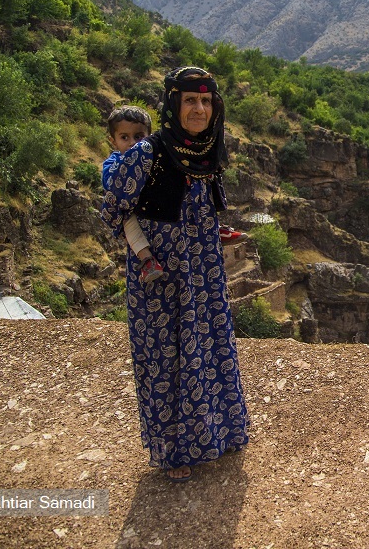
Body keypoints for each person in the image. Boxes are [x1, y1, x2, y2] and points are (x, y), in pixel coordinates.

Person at [100, 67, 249, 482]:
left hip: (203, 271)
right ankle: (172, 453)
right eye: (189, 100)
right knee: (167, 359)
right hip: (161, 280)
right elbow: (113, 206)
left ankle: (220, 433)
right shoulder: (148, 153)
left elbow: (199, 204)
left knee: (209, 346)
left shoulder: (205, 152)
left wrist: (205, 232)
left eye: (205, 100)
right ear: (173, 105)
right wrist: (149, 247)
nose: (198, 108)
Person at [103, 106, 164, 283]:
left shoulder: (157, 159)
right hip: (130, 211)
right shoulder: (113, 163)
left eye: (138, 137)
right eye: (124, 137)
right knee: (129, 223)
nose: (132, 143)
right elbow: (113, 188)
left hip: (157, 210)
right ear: (113, 141)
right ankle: (147, 260)